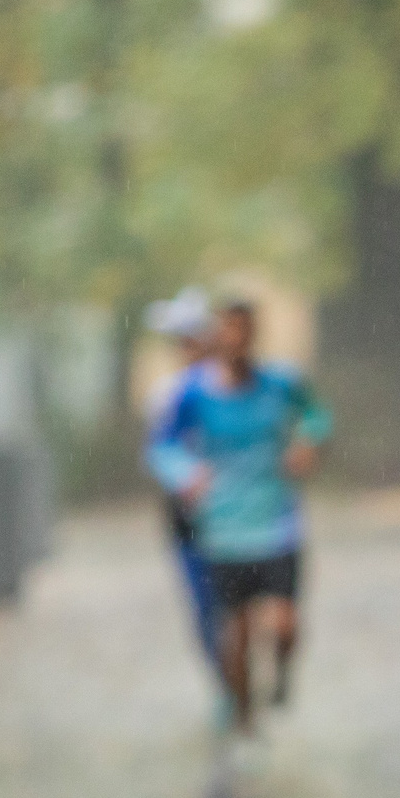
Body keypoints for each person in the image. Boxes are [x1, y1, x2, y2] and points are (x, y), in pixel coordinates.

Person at [147, 300, 330, 734]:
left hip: (278, 522)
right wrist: (187, 474)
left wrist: (307, 442)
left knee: (285, 624)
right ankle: (243, 717)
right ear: (216, 336)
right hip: (223, 528)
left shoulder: (281, 383)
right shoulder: (191, 392)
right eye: (226, 330)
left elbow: (316, 416)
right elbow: (161, 447)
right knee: (236, 632)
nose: (235, 339)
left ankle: (282, 677)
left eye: (243, 330)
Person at [145, 290, 226, 685]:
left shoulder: (239, 387)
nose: (189, 349)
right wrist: (187, 477)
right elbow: (159, 452)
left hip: (241, 513)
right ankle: (224, 680)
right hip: (189, 518)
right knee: (204, 605)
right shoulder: (168, 395)